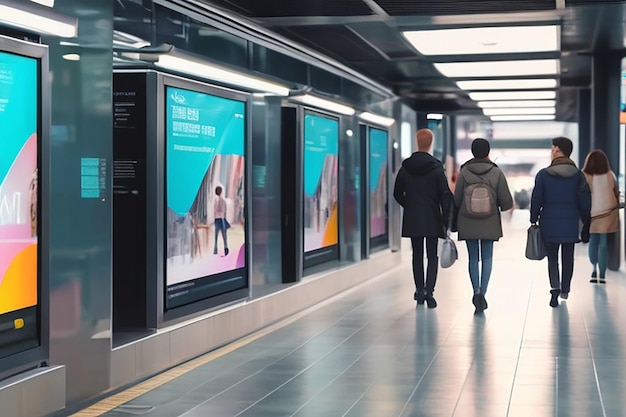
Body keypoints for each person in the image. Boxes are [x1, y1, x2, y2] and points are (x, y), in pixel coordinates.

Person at [393, 128, 452, 308]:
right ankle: (429, 292)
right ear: (431, 143)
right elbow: (445, 195)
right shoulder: (436, 168)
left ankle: (419, 290)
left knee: (417, 255)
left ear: (416, 142)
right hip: (433, 216)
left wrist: (409, 205)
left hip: (413, 217)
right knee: (432, 255)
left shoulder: (405, 167)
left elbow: (397, 193)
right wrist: (446, 218)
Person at [453, 138, 513, 314]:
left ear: (472, 152)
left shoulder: (464, 171)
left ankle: (476, 290)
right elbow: (506, 202)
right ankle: (483, 293)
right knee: (487, 258)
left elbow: (456, 200)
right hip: (489, 221)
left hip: (468, 221)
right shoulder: (496, 172)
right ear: (488, 152)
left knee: (473, 258)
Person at [530, 137, 591, 307]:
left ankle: (554, 288)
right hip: (571, 222)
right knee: (568, 257)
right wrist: (586, 220)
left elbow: (536, 199)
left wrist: (533, 218)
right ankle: (565, 289)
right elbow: (585, 201)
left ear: (557, 150)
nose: (551, 151)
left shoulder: (543, 174)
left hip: (549, 221)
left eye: (552, 148)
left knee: (552, 258)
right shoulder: (578, 175)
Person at [582, 149, 619, 284]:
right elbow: (616, 192)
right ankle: (602, 274)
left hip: (592, 214)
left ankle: (593, 269)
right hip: (608, 213)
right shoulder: (611, 175)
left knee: (593, 241)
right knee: (604, 244)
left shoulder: (584, 175)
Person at [214, 185, 229, 256]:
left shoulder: (216, 200)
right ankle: (225, 248)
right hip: (221, 218)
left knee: (217, 235)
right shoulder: (222, 200)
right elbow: (224, 210)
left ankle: (216, 249)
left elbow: (215, 210)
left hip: (217, 218)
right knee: (223, 234)